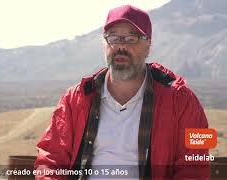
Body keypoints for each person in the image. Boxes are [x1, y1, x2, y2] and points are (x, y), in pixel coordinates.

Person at [34, 4, 211, 180]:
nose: (121, 46)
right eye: (114, 38)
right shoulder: (74, 99)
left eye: (131, 38)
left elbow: (196, 166)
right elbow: (50, 161)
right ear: (105, 43)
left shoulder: (183, 100)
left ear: (148, 45)